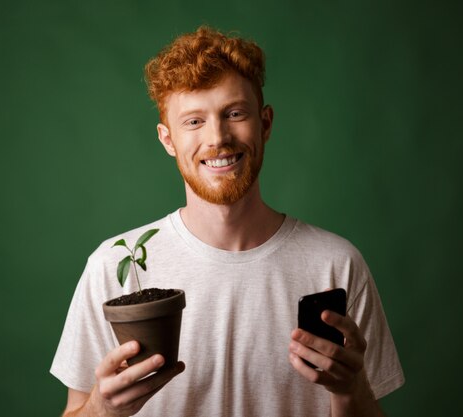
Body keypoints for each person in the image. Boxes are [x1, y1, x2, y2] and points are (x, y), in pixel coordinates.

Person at [50, 26, 404, 417]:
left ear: (265, 124)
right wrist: (102, 409)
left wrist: (351, 390)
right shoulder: (112, 269)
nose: (217, 138)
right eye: (194, 121)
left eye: (234, 114)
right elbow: (75, 410)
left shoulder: (337, 264)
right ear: (168, 140)